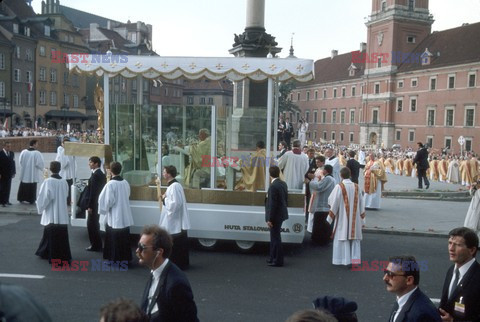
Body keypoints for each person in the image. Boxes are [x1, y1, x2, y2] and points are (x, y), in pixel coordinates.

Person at [137, 225, 199, 322]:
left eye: (142, 247)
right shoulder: (155, 271)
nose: (137, 251)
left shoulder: (176, 284)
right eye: (138, 246)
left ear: (159, 252)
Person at [439, 227, 480, 321]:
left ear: (472, 250)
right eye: (450, 243)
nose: (451, 249)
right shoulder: (451, 271)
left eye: (457, 245)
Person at [383, 255, 441, 322]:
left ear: (409, 280)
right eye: (386, 272)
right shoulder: (401, 301)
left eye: (391, 275)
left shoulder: (423, 314)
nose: (384, 278)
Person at [35, 161, 72, 264]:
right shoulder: (64, 181)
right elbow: (66, 195)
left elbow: (45, 197)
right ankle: (57, 254)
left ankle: (51, 254)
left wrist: (40, 206)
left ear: (51, 169)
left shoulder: (48, 182)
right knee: (60, 236)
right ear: (60, 169)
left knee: (50, 233)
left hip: (52, 211)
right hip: (61, 212)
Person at [327, 167, 365, 266]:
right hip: (355, 219)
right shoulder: (357, 186)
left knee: (342, 237)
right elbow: (361, 203)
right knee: (355, 240)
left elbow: (333, 201)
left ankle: (342, 260)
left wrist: (329, 217)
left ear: (340, 175)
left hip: (342, 218)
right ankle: (355, 261)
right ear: (350, 174)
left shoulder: (339, 187)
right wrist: (362, 219)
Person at [98, 162, 134, 264]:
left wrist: (104, 209)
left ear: (110, 170)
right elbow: (128, 195)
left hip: (115, 214)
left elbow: (108, 200)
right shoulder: (125, 182)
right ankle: (125, 258)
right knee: (124, 238)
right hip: (124, 212)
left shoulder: (110, 184)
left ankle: (115, 259)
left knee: (115, 237)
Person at [158, 165, 191, 270]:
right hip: (174, 219)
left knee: (175, 243)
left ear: (168, 174)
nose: (163, 174)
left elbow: (176, 204)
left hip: (175, 220)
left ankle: (177, 264)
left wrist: (164, 199)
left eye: (164, 172)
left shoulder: (174, 186)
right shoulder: (174, 185)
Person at [265, 166, 289, 267]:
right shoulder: (283, 183)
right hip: (281, 213)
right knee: (275, 237)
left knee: (275, 238)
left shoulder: (273, 186)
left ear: (270, 175)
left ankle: (278, 260)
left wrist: (269, 219)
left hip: (275, 215)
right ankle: (272, 257)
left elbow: (272, 204)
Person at [308, 164, 336, 245]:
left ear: (325, 171)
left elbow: (319, 187)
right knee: (322, 224)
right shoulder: (330, 178)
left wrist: (311, 181)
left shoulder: (328, 178)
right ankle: (322, 240)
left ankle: (319, 240)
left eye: (323, 170)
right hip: (325, 205)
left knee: (320, 224)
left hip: (323, 205)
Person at [85, 156, 106, 252]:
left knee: (91, 225)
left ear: (96, 163)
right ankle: (96, 244)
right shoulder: (99, 174)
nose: (89, 164)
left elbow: (93, 192)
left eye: (91, 162)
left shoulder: (96, 175)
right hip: (96, 203)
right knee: (94, 224)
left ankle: (95, 244)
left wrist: (90, 206)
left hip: (94, 204)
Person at [17, 139, 45, 204]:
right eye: (37, 144)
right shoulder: (37, 153)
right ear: (34, 144)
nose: (37, 145)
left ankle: (21, 198)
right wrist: (43, 169)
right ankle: (31, 199)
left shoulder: (23, 152)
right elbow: (40, 164)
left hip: (24, 173)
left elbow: (20, 161)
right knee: (32, 186)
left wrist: (23, 167)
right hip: (32, 173)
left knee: (23, 185)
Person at [55, 137, 76, 205]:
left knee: (65, 188)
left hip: (65, 173)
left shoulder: (64, 151)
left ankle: (65, 201)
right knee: (69, 188)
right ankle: (69, 200)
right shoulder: (70, 150)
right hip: (71, 173)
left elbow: (63, 164)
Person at [0, 141, 15, 207]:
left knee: (8, 188)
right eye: (7, 146)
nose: (9, 148)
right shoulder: (0, 153)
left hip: (9, 173)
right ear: (4, 146)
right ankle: (2, 202)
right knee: (2, 188)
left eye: (10, 146)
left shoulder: (11, 153)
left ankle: (7, 200)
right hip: (2, 174)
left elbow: (13, 163)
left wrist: (14, 172)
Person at [304, 148, 317, 223]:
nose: (312, 155)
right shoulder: (304, 160)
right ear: (308, 154)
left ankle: (308, 216)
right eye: (310, 154)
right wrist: (305, 177)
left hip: (311, 183)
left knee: (310, 199)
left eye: (313, 154)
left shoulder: (316, 162)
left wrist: (312, 177)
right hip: (304, 181)